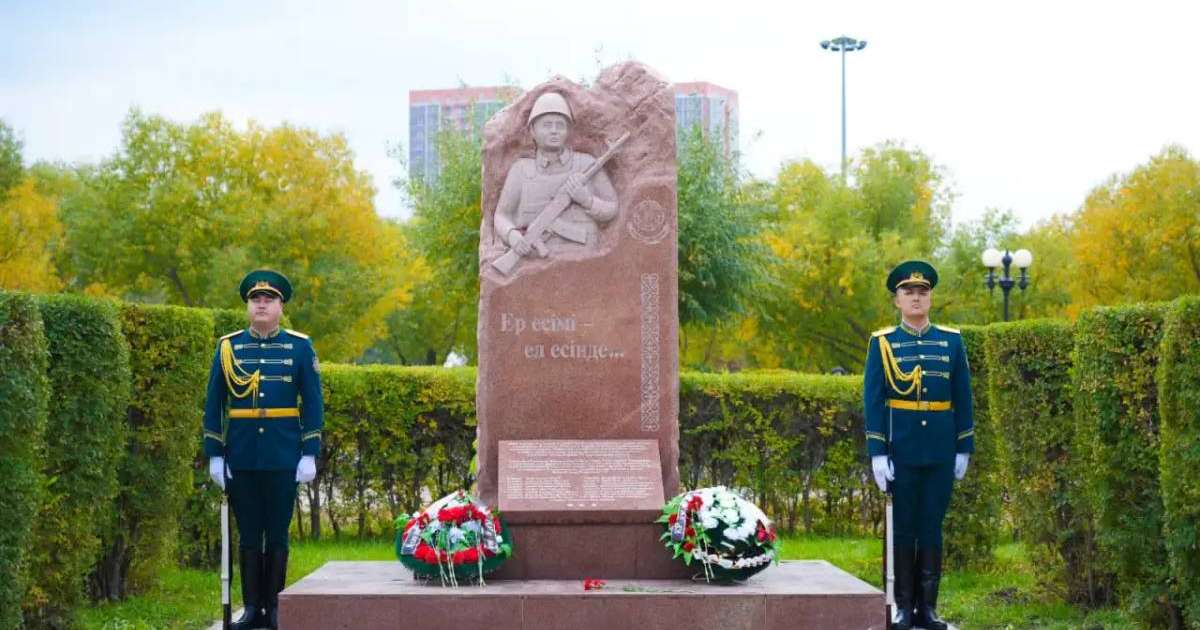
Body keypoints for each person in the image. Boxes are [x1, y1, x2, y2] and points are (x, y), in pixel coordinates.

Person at [203, 269, 322, 630]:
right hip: (242, 455)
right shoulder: (229, 347)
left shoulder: (299, 347)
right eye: (255, 299)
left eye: (269, 299)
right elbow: (214, 403)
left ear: (280, 307)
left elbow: (313, 402)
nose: (261, 304)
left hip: (283, 455)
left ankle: (275, 608)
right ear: (248, 306)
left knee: (278, 533)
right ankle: (252, 608)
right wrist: (215, 453)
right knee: (250, 533)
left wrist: (309, 451)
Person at [863, 260, 973, 630]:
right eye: (908, 292)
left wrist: (963, 446)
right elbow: (874, 400)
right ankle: (901, 607)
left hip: (940, 449)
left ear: (930, 298)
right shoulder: (883, 343)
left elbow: (963, 395)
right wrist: (878, 452)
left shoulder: (951, 341)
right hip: (902, 450)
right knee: (903, 528)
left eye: (922, 292)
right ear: (896, 300)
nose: (915, 298)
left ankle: (928, 610)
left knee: (931, 527)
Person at [493, 91, 618, 258]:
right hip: (534, 262)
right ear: (532, 130)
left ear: (568, 130)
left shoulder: (587, 164)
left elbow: (612, 208)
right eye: (546, 125)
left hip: (585, 260)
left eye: (560, 125)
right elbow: (501, 215)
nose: (554, 131)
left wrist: (587, 201)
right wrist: (512, 236)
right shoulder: (521, 170)